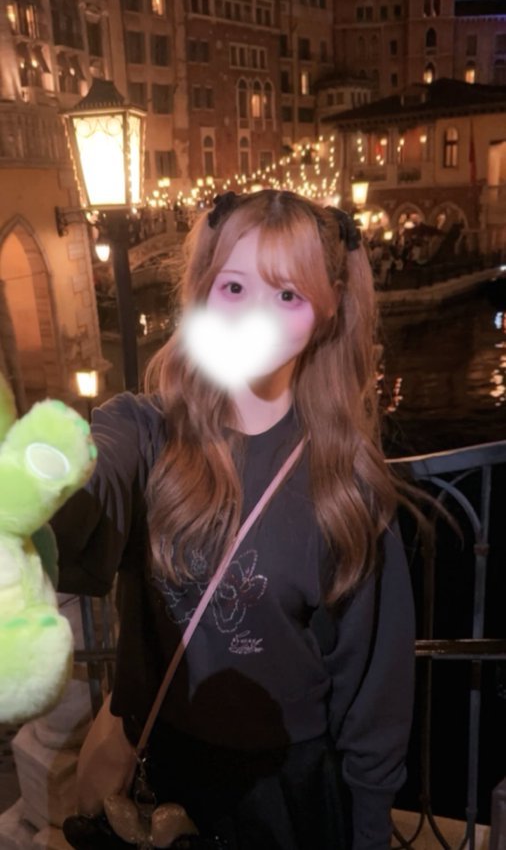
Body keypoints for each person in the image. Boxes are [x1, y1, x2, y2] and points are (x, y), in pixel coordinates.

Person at [52, 190, 415, 850]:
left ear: (329, 309)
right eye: (235, 286)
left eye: (288, 294)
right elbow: (85, 492)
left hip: (287, 797)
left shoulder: (347, 487)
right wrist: (39, 496)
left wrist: (368, 832)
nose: (255, 315)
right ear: (204, 292)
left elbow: (374, 692)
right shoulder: (143, 432)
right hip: (163, 771)